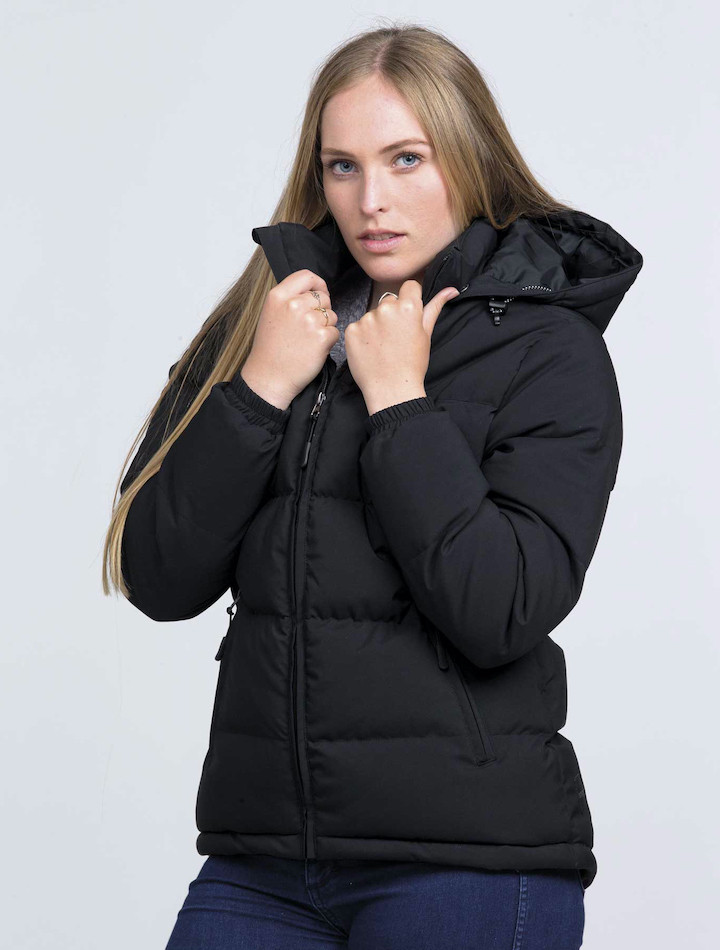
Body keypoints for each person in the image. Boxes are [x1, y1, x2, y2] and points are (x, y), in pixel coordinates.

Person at [102, 23, 643, 950]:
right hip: (262, 857)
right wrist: (261, 388)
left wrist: (399, 404)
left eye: (406, 159)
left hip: (466, 861)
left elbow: (503, 607)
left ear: (468, 158)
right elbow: (158, 575)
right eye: (342, 167)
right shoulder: (271, 325)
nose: (371, 201)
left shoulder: (549, 350)